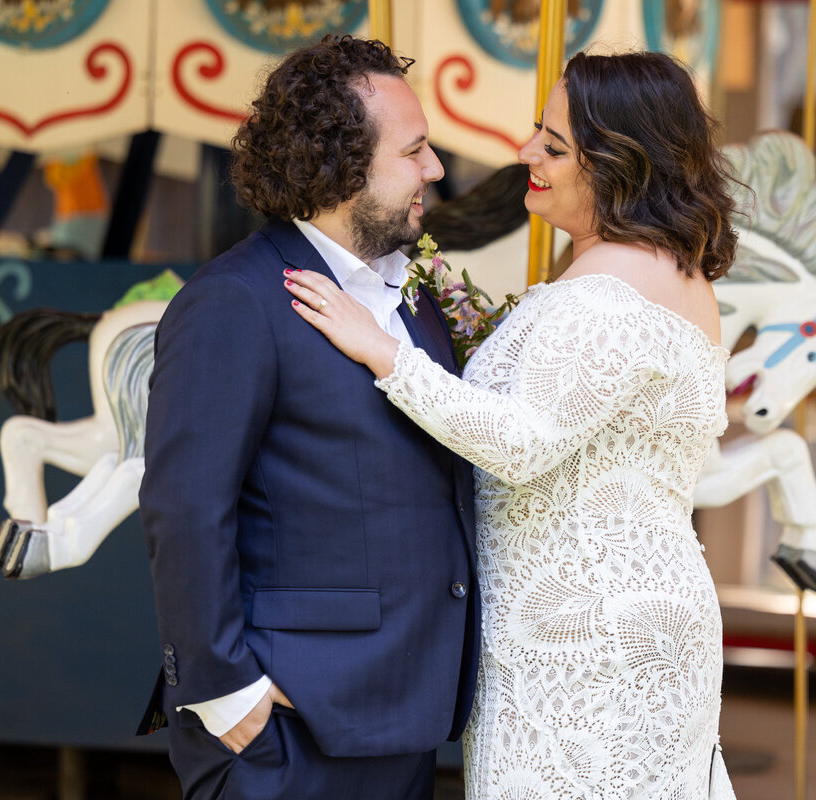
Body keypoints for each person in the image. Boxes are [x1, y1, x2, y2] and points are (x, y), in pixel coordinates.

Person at [284, 51, 739, 798]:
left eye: (555, 147)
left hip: (586, 636)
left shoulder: (610, 289)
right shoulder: (662, 268)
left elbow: (521, 441)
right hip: (620, 612)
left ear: (621, 161)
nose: (528, 153)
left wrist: (386, 352)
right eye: (539, 132)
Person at [138, 35, 478, 800]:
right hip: (285, 727)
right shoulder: (235, 301)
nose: (436, 170)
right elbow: (185, 506)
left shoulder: (415, 298)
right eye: (415, 150)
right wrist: (228, 690)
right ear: (343, 167)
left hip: (403, 717)